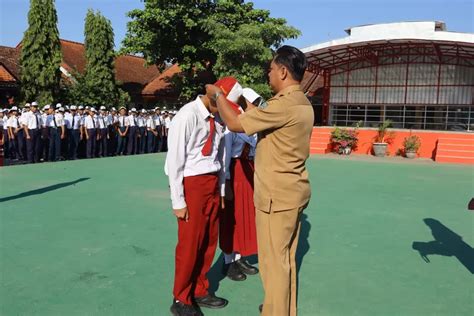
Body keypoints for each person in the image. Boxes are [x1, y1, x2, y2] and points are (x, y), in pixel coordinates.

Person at [206, 45, 314, 316]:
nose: (268, 76)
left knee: (272, 264)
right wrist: (245, 103)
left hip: (276, 196)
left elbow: (235, 124)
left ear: (283, 71)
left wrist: (218, 95)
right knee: (285, 260)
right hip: (293, 191)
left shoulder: (283, 105)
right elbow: (262, 114)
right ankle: (283, 309)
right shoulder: (301, 103)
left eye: (270, 70)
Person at [165, 79, 244, 316]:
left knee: (208, 242)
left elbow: (219, 159)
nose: (227, 112)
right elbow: (175, 162)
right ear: (213, 97)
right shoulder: (187, 115)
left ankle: (199, 289)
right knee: (190, 244)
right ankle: (181, 298)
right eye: (224, 105)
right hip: (192, 184)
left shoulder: (219, 121)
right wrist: (178, 201)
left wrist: (220, 189)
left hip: (211, 184)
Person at [220, 87, 261, 282]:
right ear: (245, 103)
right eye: (255, 103)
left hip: (249, 172)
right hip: (235, 172)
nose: (258, 106)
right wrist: (225, 182)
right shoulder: (233, 123)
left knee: (246, 217)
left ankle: (241, 255)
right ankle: (229, 261)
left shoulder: (254, 123)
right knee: (232, 217)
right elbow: (226, 155)